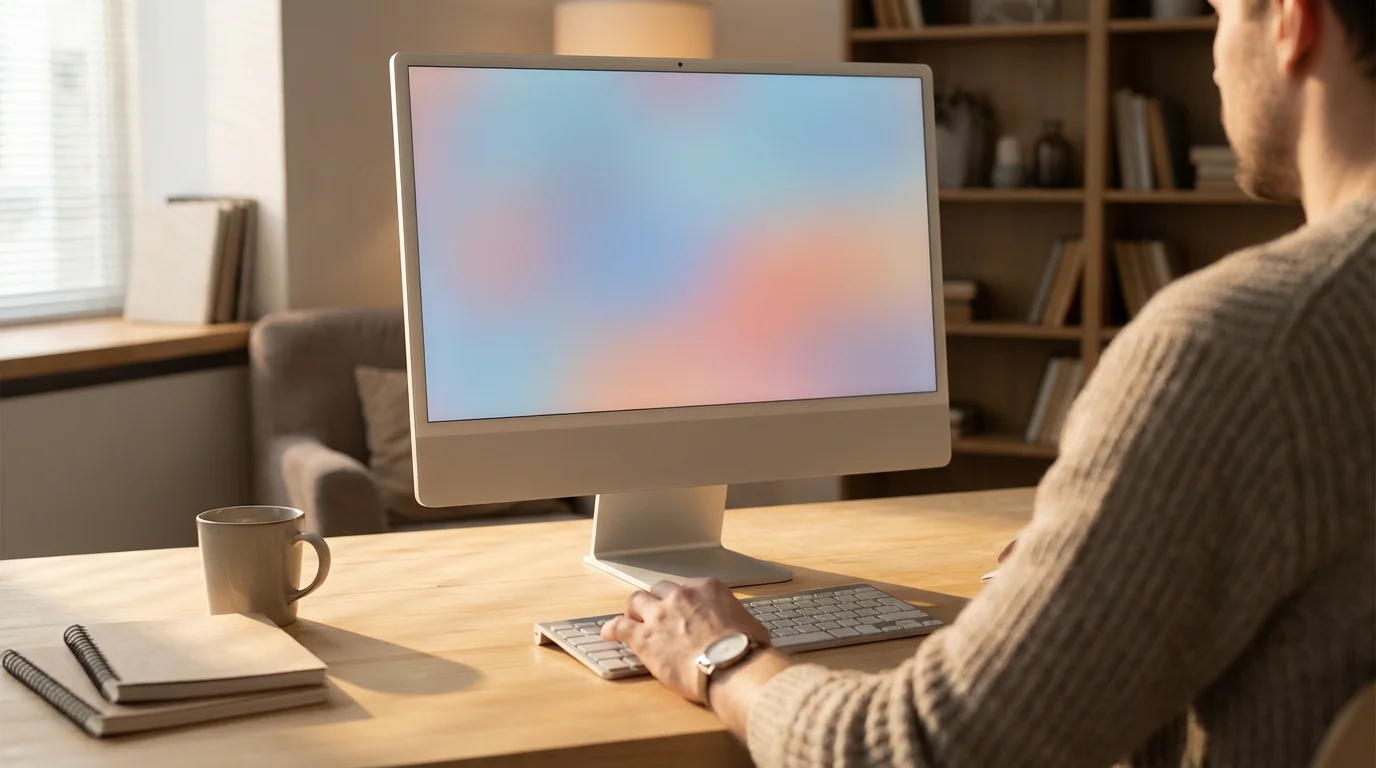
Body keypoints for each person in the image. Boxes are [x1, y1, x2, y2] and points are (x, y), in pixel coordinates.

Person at [600, 0, 1376, 764]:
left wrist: (720, 656)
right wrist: (1107, 587)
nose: (1214, 59)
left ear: (1290, 22)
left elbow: (927, 751)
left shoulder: (1243, 348)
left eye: (1221, 13)